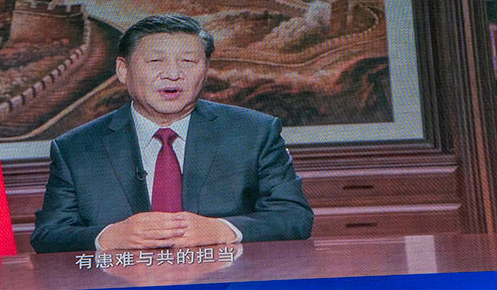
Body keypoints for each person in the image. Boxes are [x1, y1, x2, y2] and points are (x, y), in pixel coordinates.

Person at [30, 14, 313, 254]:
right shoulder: (77, 149)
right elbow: (49, 234)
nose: (174, 74)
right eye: (156, 62)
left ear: (206, 70)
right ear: (122, 70)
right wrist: (107, 237)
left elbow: (294, 216)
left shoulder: (254, 133)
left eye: (188, 62)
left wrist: (222, 230)